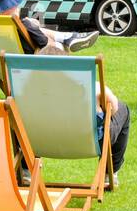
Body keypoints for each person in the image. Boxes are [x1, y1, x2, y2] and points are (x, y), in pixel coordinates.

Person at [34, 42, 129, 187]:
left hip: (41, 141)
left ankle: (26, 170)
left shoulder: (27, 92)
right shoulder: (92, 88)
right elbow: (114, 108)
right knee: (123, 109)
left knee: (17, 118)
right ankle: (109, 174)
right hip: (88, 142)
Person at [0, 0, 98, 54]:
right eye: (15, 4)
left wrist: (28, 23)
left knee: (33, 25)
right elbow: (47, 45)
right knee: (58, 46)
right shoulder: (22, 25)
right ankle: (66, 38)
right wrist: (32, 26)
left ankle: (68, 37)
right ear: (10, 7)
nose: (17, 6)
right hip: (28, 66)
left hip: (2, 65)